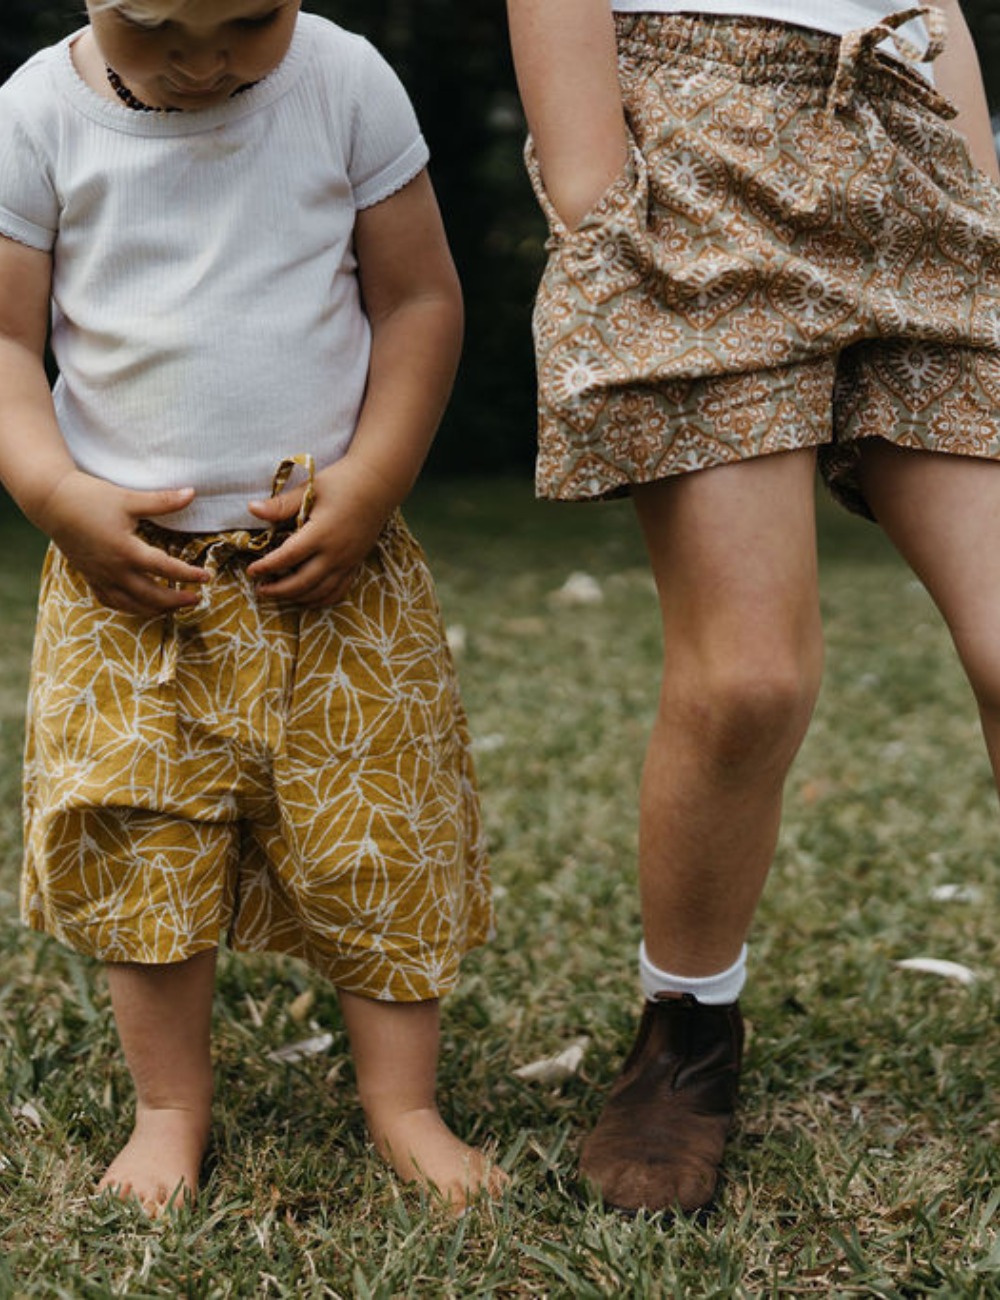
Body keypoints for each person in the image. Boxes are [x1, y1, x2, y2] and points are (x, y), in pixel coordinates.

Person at [0, 0, 500, 1214]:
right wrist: (56, 490)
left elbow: (419, 301)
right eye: (156, 27)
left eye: (249, 20)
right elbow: (6, 345)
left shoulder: (342, 81)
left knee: (376, 830)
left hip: (330, 565)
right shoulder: (34, 116)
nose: (206, 58)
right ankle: (169, 1107)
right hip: (135, 586)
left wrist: (372, 484)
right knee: (142, 835)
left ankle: (404, 1102)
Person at [507, 0, 1000, 1214]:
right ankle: (686, 1031)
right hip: (696, 148)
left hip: (909, 140)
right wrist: (597, 199)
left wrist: (980, 186)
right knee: (748, 683)